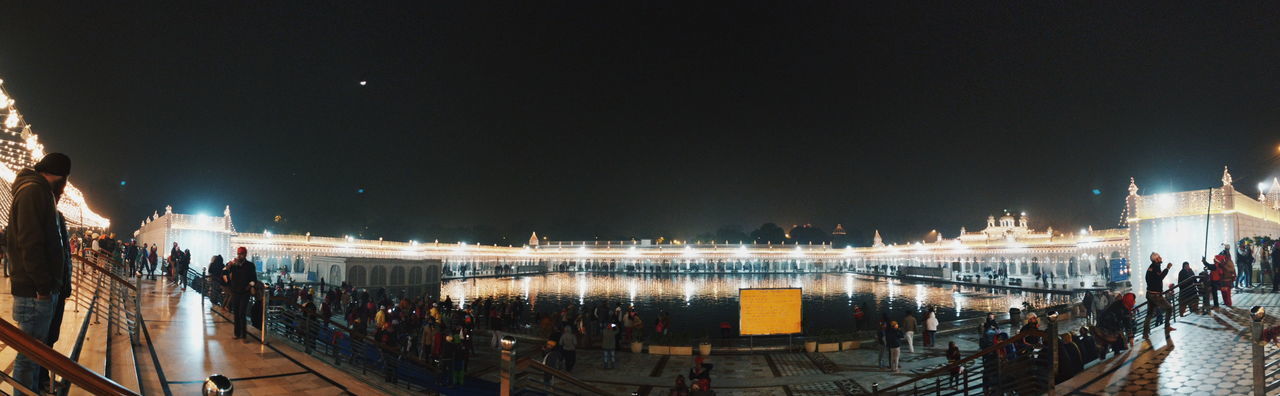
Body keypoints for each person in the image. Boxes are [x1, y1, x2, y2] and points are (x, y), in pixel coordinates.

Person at [7, 153, 72, 396]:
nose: (64, 188)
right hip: (35, 294)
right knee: (28, 358)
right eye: (64, 181)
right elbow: (30, 243)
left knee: (34, 357)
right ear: (58, 176)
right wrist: (44, 288)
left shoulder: (38, 191)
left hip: (39, 292)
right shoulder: (33, 191)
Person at [225, 246, 258, 341]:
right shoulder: (234, 265)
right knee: (236, 313)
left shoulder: (250, 265)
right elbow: (225, 271)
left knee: (242, 313)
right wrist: (230, 265)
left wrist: (249, 285)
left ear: (245, 254)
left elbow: (254, 279)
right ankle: (236, 333)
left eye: (241, 254)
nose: (240, 256)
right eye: (238, 254)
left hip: (245, 292)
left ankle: (243, 335)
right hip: (235, 292)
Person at [1143, 252, 1175, 333]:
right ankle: (1167, 326)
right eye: (1159, 257)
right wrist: (1167, 268)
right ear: (1156, 259)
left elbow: (1148, 278)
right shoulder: (1156, 267)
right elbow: (1160, 277)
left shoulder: (1150, 267)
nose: (1161, 258)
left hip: (1150, 293)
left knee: (1149, 314)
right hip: (1155, 295)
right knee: (1169, 308)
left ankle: (1145, 333)